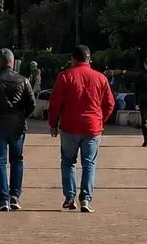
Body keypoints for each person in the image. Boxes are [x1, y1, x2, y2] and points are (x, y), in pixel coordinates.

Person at [46, 44, 115, 212]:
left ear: (73, 59)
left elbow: (55, 103)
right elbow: (110, 104)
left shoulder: (65, 76)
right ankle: (85, 198)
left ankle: (70, 196)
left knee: (68, 162)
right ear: (89, 58)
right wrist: (100, 119)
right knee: (89, 163)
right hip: (92, 127)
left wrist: (53, 124)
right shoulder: (100, 78)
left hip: (69, 126)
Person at [0, 48, 35, 211]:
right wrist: (22, 116)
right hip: (17, 126)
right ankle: (15, 195)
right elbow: (31, 103)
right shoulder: (22, 80)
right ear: (12, 61)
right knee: (17, 160)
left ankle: (3, 199)